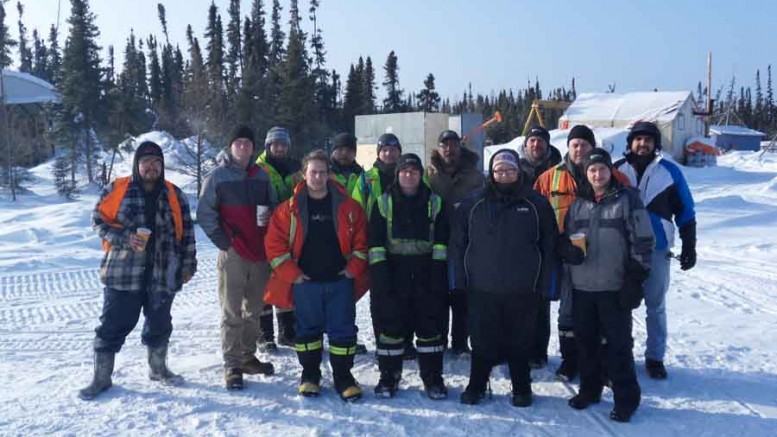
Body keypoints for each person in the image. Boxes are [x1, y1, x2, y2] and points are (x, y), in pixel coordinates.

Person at [79, 141, 197, 400]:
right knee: (111, 325)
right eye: (146, 161)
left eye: (156, 161)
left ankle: (158, 369)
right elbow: (97, 220)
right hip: (123, 273)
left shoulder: (174, 194)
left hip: (163, 273)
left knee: (160, 323)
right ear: (137, 164)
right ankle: (101, 378)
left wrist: (188, 265)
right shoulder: (118, 189)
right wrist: (124, 237)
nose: (151, 166)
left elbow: (187, 233)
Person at [453, 149, 558, 407]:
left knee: (521, 341)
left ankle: (521, 387)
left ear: (518, 172)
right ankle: (476, 385)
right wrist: (457, 281)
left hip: (523, 289)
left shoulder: (537, 203)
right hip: (482, 288)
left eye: (510, 170)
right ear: (492, 172)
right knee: (481, 341)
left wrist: (549, 284)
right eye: (499, 170)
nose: (505, 174)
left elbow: (550, 246)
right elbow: (457, 244)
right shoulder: (473, 203)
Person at [264, 150, 369, 402]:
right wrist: (294, 275)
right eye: (314, 172)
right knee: (307, 332)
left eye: (323, 172)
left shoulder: (349, 207)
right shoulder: (287, 210)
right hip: (306, 282)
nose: (318, 176)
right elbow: (275, 247)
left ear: (329, 174)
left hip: (339, 282)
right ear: (304, 174)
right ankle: (310, 375)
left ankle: (344, 377)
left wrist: (352, 270)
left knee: (342, 332)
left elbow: (362, 245)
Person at [560, 148, 655, 423]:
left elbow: (643, 241)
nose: (597, 174)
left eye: (602, 169)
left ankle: (626, 399)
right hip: (583, 288)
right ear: (586, 174)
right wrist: (568, 250)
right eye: (592, 170)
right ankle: (590, 391)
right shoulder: (578, 204)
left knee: (618, 346)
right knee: (586, 344)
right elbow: (568, 237)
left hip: (614, 287)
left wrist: (635, 279)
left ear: (610, 171)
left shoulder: (627, 200)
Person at [534, 125, 630, 381]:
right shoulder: (548, 178)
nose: (579, 149)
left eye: (584, 144)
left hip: (603, 257)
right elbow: (535, 215)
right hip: (561, 253)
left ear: (592, 147)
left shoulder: (615, 178)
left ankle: (604, 363)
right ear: (568, 147)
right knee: (567, 309)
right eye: (574, 144)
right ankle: (570, 360)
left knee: (602, 311)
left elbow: (632, 216)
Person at [614, 121, 697, 380]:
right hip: (621, 249)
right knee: (619, 305)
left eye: (648, 140)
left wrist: (689, 245)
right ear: (630, 143)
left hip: (657, 249)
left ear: (655, 144)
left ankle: (655, 357)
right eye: (638, 139)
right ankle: (621, 353)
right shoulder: (616, 171)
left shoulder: (670, 172)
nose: (643, 144)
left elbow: (686, 210)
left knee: (656, 305)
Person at [198, 126, 276, 390]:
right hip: (233, 255)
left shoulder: (261, 176)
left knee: (254, 310)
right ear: (230, 146)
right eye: (238, 142)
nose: (243, 146)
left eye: (248, 142)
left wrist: (270, 242)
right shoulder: (218, 177)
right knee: (232, 311)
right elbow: (205, 213)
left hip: (259, 252)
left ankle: (246, 355)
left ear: (254, 148)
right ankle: (232, 364)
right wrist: (225, 242)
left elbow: (273, 210)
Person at [370, 153, 450, 400]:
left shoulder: (435, 202)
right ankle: (389, 377)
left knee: (430, 328)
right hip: (393, 271)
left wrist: (437, 271)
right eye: (404, 171)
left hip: (426, 271)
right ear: (398, 174)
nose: (409, 175)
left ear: (421, 175)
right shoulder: (383, 203)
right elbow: (375, 242)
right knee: (390, 328)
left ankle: (432, 377)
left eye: (414, 171)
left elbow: (442, 240)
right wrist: (381, 274)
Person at [351, 133, 418, 358]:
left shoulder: (412, 174)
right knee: (381, 297)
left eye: (393, 149)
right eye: (385, 149)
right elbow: (355, 213)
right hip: (377, 245)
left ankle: (406, 341)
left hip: (406, 247)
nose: (389, 153)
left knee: (407, 297)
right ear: (378, 153)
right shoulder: (366, 179)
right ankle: (383, 340)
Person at [426, 130, 484, 356]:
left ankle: (460, 342)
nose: (449, 149)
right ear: (438, 148)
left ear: (461, 147)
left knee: (463, 295)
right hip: (436, 244)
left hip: (466, 245)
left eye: (453, 144)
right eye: (444, 145)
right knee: (437, 295)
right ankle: (438, 339)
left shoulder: (475, 176)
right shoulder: (428, 174)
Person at [516, 126, 563, 369]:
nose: (536, 146)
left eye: (541, 141)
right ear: (526, 144)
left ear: (548, 145)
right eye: (532, 141)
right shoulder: (516, 168)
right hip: (519, 240)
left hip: (548, 240)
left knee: (541, 299)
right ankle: (514, 347)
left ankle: (538, 351)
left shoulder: (558, 169)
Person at [255, 126, 301, 351]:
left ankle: (287, 331)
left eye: (284, 144)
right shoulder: (258, 168)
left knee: (285, 278)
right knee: (263, 282)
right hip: (263, 231)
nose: (280, 148)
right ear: (268, 146)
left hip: (289, 232)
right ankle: (264, 334)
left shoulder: (294, 168)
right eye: (276, 144)